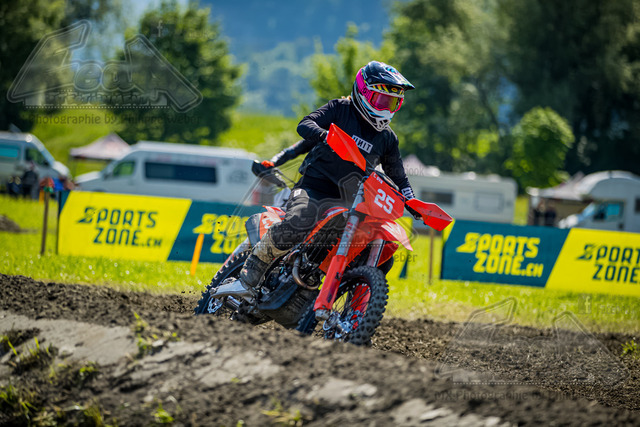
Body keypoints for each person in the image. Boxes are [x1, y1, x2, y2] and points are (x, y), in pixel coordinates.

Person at [219, 61, 419, 298]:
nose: (386, 108)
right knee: (298, 220)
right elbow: (304, 124)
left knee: (380, 249)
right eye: (382, 100)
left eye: (392, 103)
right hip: (313, 187)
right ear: (363, 92)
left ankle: (351, 311)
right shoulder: (340, 109)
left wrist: (413, 202)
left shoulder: (387, 138)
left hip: (351, 202)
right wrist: (326, 136)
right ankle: (247, 280)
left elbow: (399, 177)